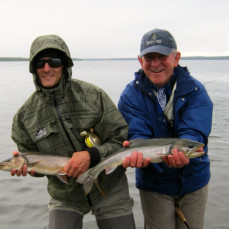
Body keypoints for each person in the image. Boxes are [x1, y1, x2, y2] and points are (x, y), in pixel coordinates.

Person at [10, 34, 136, 229]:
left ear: (65, 65)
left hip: (110, 184)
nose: (47, 68)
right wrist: (28, 169)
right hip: (65, 194)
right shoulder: (24, 118)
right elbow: (35, 166)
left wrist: (92, 155)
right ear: (33, 68)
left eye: (54, 61)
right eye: (40, 63)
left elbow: (121, 140)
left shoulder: (94, 96)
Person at [119, 28, 213, 229]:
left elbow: (195, 133)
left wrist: (185, 152)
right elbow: (138, 135)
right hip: (154, 184)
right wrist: (135, 152)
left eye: (161, 56)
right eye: (149, 57)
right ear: (140, 60)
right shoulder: (130, 96)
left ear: (176, 57)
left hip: (194, 180)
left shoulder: (196, 91)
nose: (155, 64)